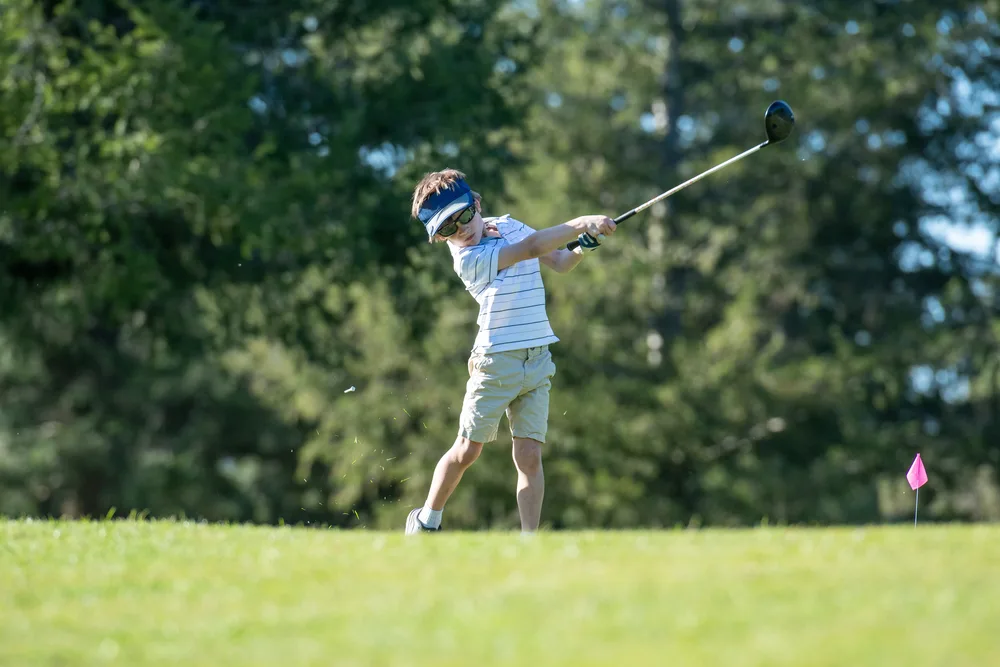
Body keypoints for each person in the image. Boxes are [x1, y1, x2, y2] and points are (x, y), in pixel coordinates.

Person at [404, 168, 616, 534]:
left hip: (538, 358)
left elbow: (560, 262)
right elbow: (532, 249)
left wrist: (585, 243)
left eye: (465, 215)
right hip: (495, 363)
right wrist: (582, 221)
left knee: (530, 456)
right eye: (448, 229)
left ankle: (528, 541)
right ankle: (427, 521)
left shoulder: (511, 225)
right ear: (439, 238)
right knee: (468, 451)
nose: (462, 229)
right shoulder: (468, 260)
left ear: (477, 203)